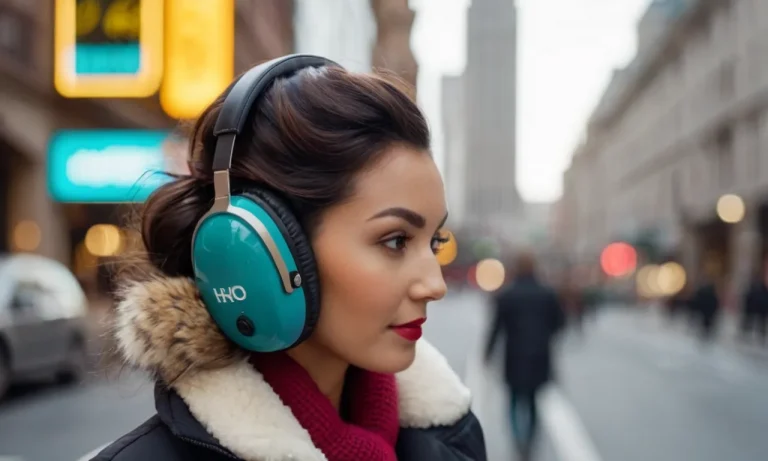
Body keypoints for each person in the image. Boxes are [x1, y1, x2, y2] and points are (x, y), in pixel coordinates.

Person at [92, 56, 486, 461]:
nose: (435, 285)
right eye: (395, 241)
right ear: (263, 252)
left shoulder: (456, 437)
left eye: (434, 242)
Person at [484, 252, 565, 460]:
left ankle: (517, 440)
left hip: (514, 355)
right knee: (533, 401)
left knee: (513, 401)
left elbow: (496, 327)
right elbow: (559, 323)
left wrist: (488, 353)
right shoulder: (547, 293)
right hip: (540, 355)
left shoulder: (508, 294)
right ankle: (528, 441)